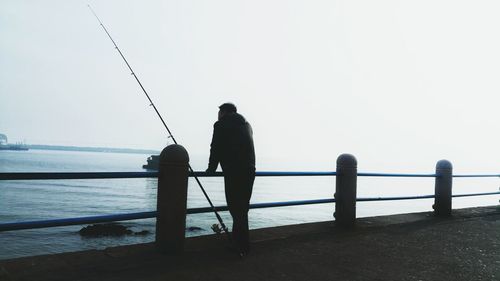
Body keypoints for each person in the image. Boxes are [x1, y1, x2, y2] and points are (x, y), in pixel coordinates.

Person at [206, 103, 256, 255]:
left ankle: (240, 247)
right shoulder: (247, 124)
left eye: (219, 111)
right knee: (242, 209)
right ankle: (241, 245)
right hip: (249, 170)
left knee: (236, 209)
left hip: (234, 171)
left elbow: (216, 147)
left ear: (224, 112)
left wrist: (211, 169)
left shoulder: (221, 124)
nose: (218, 114)